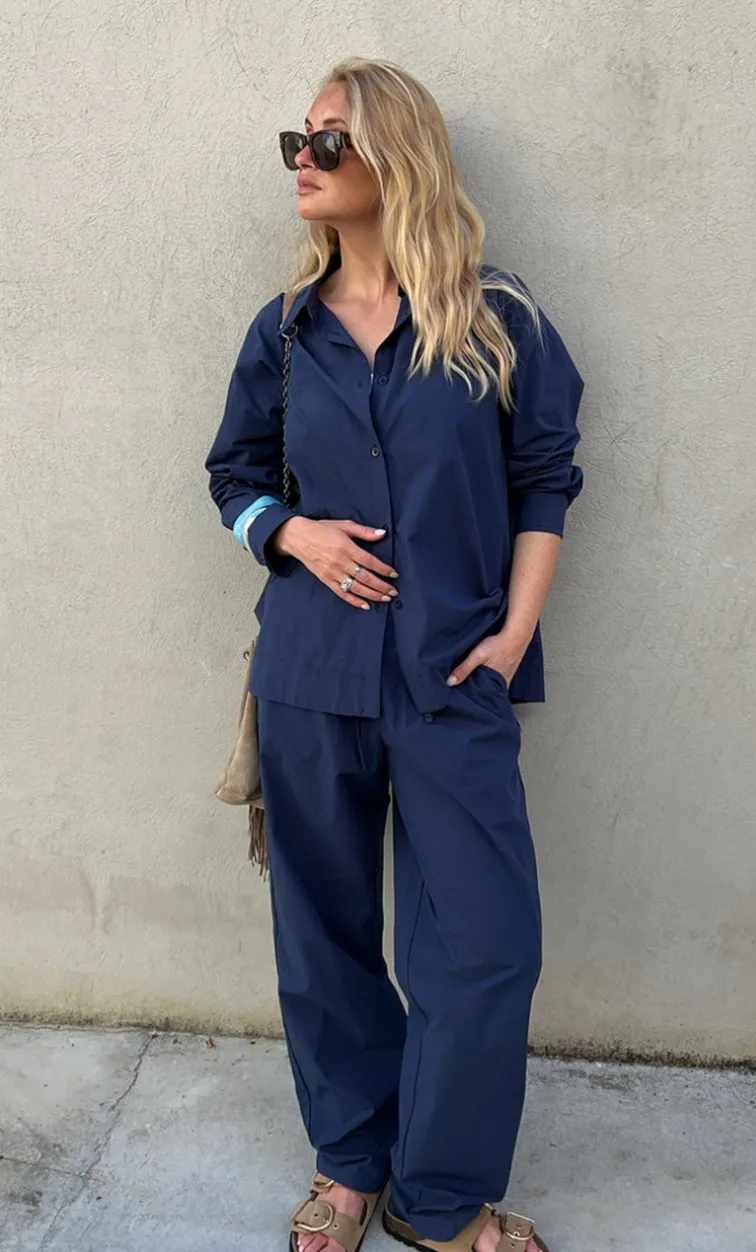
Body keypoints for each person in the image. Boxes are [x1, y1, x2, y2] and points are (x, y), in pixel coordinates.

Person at [205, 56, 584, 1252]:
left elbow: (544, 479)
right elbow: (231, 477)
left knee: (484, 945)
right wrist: (291, 533)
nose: (303, 162)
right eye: (298, 141)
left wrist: (512, 632)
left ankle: (438, 1197)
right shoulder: (283, 331)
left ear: (395, 156)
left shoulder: (497, 319)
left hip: (451, 676)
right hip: (308, 677)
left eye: (329, 141)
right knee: (321, 938)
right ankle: (349, 1167)